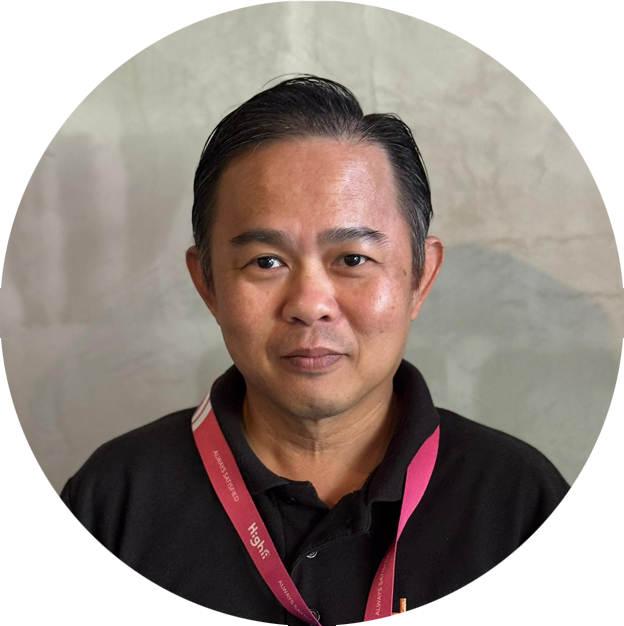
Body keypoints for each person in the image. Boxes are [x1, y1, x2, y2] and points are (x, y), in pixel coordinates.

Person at [60, 76, 570, 625]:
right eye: (266, 262)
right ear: (207, 284)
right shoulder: (113, 503)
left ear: (420, 279)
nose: (309, 305)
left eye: (352, 259)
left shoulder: (520, 504)